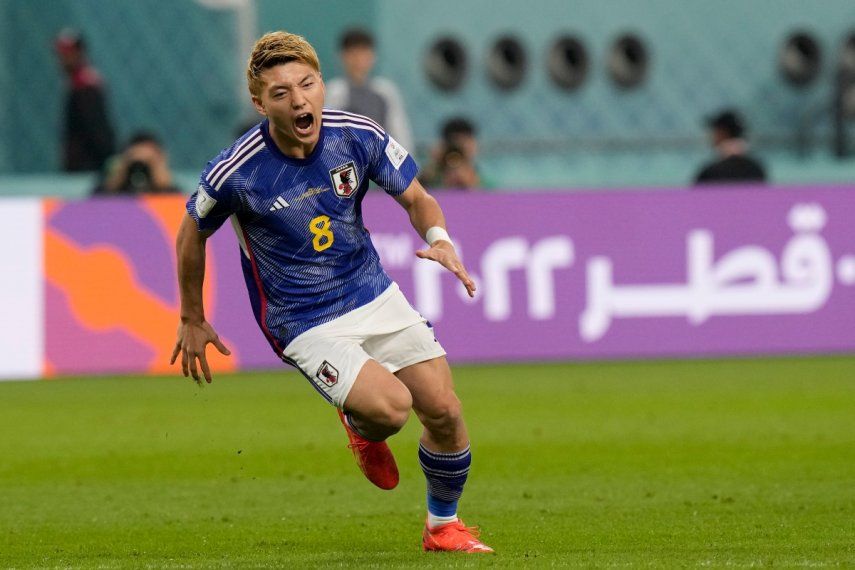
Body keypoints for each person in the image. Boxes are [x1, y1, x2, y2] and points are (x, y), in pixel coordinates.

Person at [171, 32, 493, 554]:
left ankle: (443, 527)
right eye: (281, 93)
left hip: (371, 292)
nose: (299, 100)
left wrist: (439, 239)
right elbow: (192, 232)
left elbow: (416, 197)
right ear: (260, 104)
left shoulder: (357, 135)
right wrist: (191, 315)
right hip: (303, 319)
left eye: (307, 84)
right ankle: (359, 422)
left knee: (445, 410)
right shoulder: (237, 171)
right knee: (391, 410)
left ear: (322, 84)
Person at [324, 28, 414, 151]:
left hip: (380, 158)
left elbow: (400, 134)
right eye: (353, 54)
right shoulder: (334, 91)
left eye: (363, 53)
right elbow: (327, 134)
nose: (358, 60)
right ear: (342, 57)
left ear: (373, 56)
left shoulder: (385, 91)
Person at [54, 28, 116, 172]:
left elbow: (97, 129)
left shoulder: (85, 87)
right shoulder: (78, 84)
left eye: (67, 54)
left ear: (79, 53)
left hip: (88, 167)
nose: (62, 59)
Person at [94, 132, 180, 195]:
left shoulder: (171, 191)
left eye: (148, 161)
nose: (141, 167)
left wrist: (165, 186)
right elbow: (93, 205)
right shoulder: (111, 188)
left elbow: (180, 209)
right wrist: (115, 183)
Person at [694, 109, 766, 185]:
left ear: (722, 132)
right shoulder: (756, 169)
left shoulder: (711, 172)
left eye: (714, 131)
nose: (711, 136)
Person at [420, 117, 484, 190]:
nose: (459, 149)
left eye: (463, 143)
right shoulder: (431, 174)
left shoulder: (484, 176)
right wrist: (434, 164)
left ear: (473, 145)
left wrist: (473, 184)